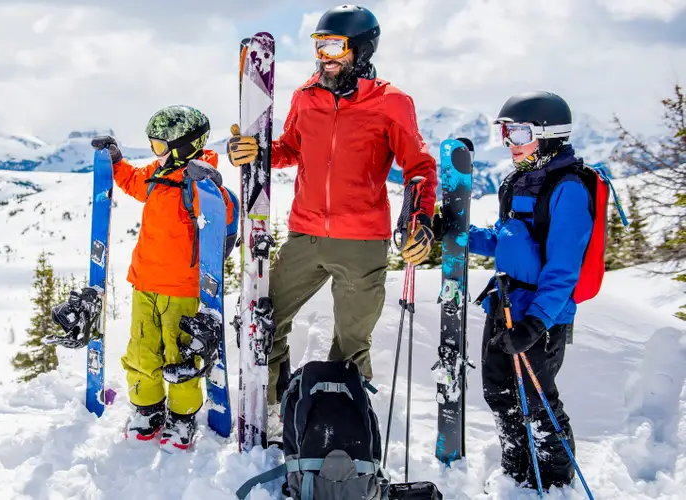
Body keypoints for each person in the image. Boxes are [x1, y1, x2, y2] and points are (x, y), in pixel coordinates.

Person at [225, 4, 438, 436]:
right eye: (319, 46)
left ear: (359, 50)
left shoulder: (391, 103)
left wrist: (419, 219)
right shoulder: (307, 96)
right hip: (305, 235)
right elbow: (289, 148)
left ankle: (345, 428)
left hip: (362, 243)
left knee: (352, 343)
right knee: (266, 320)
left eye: (334, 46)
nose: (324, 56)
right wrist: (255, 151)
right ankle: (274, 408)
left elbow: (419, 167)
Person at [47, 104, 236, 452]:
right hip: (144, 282)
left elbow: (222, 218)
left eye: (160, 146)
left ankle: (182, 416)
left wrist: (211, 183)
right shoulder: (160, 172)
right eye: (152, 146)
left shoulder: (197, 181)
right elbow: (135, 183)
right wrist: (117, 161)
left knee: (180, 355)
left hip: (182, 289)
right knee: (142, 352)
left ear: (183, 145)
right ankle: (147, 408)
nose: (155, 153)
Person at [442, 90, 588, 489]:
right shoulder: (518, 180)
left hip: (541, 315)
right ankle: (517, 470)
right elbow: (506, 238)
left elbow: (563, 270)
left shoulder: (568, 189)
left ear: (548, 134)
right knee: (499, 391)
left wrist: (536, 324)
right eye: (506, 133)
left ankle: (555, 480)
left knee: (536, 400)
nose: (509, 144)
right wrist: (460, 235)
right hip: (504, 303)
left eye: (519, 133)